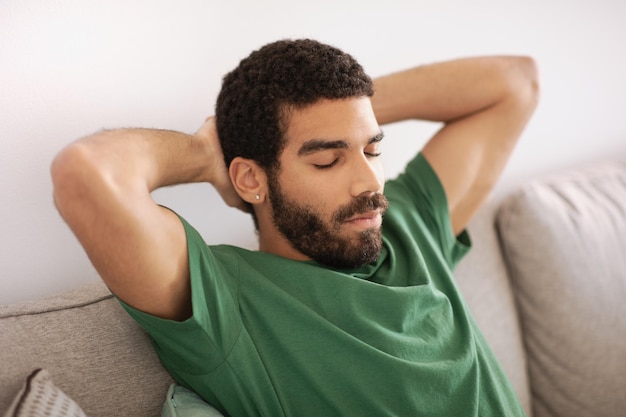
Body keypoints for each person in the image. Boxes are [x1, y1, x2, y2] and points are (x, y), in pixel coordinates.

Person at [51, 39, 539, 416]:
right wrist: (206, 153)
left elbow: (516, 82)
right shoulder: (228, 304)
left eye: (372, 149)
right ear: (251, 178)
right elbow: (86, 176)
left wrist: (349, 107)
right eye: (328, 160)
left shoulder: (409, 225)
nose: (369, 182)